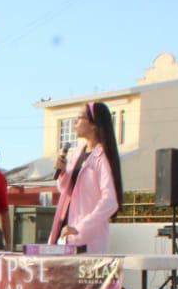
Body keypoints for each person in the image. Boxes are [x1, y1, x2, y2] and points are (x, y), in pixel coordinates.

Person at [49, 101, 123, 254]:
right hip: (65, 233)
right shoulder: (77, 153)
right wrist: (62, 173)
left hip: (87, 242)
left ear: (93, 124)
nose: (75, 123)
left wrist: (80, 228)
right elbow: (66, 190)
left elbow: (110, 201)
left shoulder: (101, 157)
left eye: (80, 118)